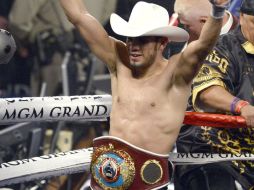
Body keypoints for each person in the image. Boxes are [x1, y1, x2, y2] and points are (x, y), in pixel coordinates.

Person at [59, 0, 229, 189]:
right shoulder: (118, 59)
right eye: (131, 38)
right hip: (104, 180)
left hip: (148, 183)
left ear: (162, 43)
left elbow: (204, 44)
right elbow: (79, 17)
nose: (134, 46)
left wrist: (218, 10)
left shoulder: (175, 73)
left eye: (143, 40)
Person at [174, 0, 254, 189]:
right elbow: (207, 91)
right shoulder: (222, 46)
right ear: (241, 18)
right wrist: (241, 106)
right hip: (212, 152)